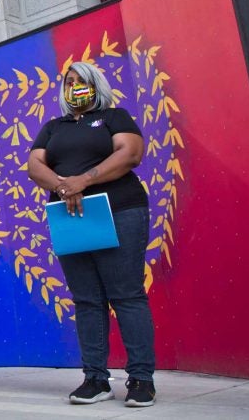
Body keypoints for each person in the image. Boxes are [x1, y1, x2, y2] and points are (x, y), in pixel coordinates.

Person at [27, 62, 156, 408]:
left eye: (81, 80)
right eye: (69, 81)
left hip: (120, 210)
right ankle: (95, 378)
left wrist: (83, 181)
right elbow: (35, 164)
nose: (75, 86)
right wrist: (63, 187)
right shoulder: (54, 127)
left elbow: (130, 153)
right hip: (69, 214)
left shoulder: (115, 116)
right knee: (86, 298)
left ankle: (141, 378)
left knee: (126, 294)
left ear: (95, 85)